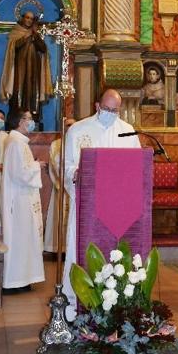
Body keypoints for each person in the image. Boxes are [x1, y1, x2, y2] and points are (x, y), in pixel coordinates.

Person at [62, 89, 141, 319]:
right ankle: (77, 307)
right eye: (106, 109)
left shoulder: (128, 132)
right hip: (87, 205)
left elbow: (136, 167)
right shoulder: (78, 130)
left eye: (115, 110)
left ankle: (116, 307)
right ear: (97, 106)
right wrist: (76, 173)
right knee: (83, 252)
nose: (110, 114)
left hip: (118, 207)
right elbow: (66, 166)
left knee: (115, 255)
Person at [1, 110, 46, 291]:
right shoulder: (16, 143)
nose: (32, 122)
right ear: (20, 121)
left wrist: (33, 166)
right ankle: (15, 282)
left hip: (23, 197)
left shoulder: (18, 142)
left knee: (25, 238)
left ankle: (24, 279)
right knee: (20, 238)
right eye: (29, 119)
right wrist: (38, 165)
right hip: (19, 200)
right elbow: (20, 174)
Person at [0, 9, 53, 124]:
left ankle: (33, 116)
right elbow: (14, 47)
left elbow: (43, 49)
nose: (29, 20)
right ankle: (17, 115)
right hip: (19, 68)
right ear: (22, 18)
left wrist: (35, 35)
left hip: (34, 69)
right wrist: (27, 36)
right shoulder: (16, 31)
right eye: (27, 17)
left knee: (33, 91)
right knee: (18, 89)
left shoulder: (35, 34)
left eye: (31, 19)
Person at [44, 118, 75, 254]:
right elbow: (53, 165)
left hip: (75, 189)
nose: (71, 127)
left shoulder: (79, 142)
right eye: (68, 125)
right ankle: (58, 248)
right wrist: (61, 183)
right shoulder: (56, 144)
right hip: (61, 189)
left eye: (73, 125)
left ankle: (71, 247)